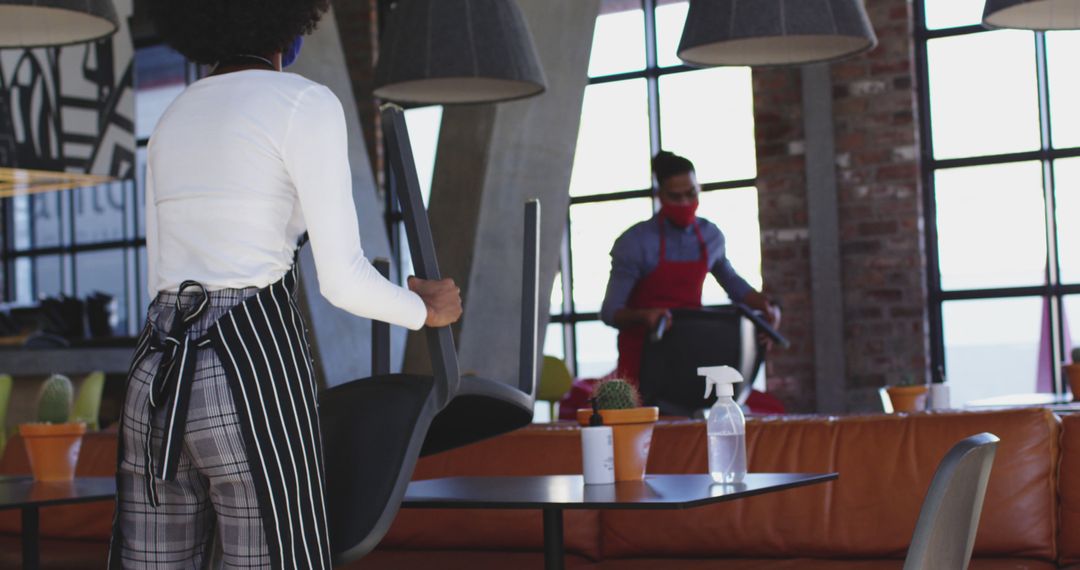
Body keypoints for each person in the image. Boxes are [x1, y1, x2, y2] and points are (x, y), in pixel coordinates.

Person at [107, 2, 462, 568]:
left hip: (156, 377)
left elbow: (161, 277)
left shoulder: (174, 115)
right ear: (291, 20)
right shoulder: (303, 102)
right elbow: (343, 281)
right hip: (248, 369)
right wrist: (425, 310)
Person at [601, 150, 781, 385]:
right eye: (676, 197)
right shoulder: (635, 243)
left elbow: (734, 285)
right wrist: (645, 316)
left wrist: (769, 309)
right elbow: (610, 312)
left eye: (691, 193)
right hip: (642, 358)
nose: (685, 203)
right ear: (660, 195)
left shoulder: (710, 236)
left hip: (691, 353)